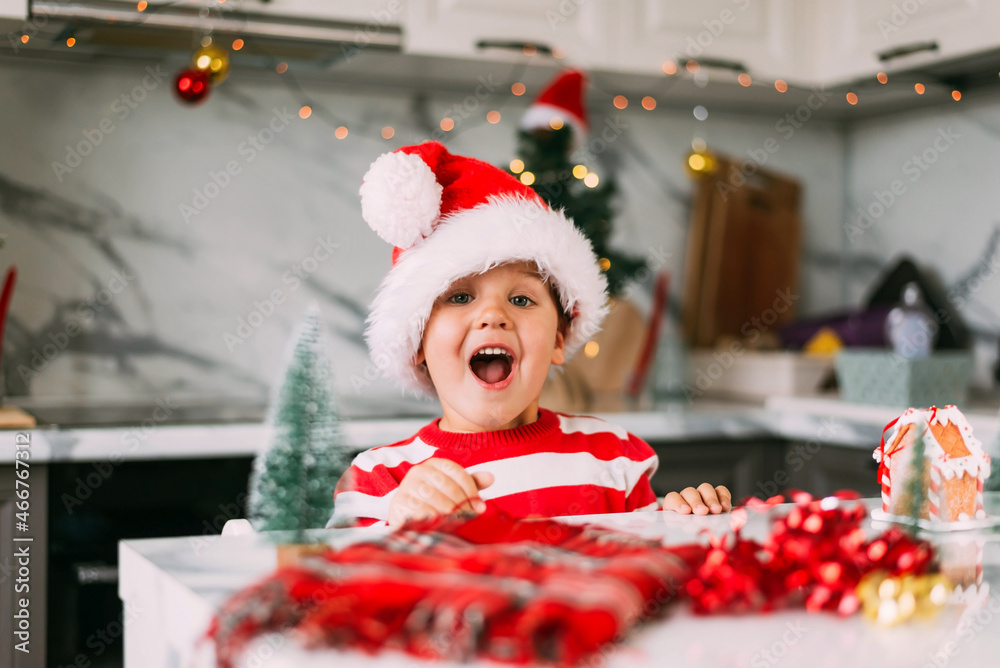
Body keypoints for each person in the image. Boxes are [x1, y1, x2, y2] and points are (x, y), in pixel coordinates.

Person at [330, 141, 730, 527]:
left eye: (521, 300)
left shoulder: (612, 455)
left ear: (558, 339)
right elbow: (333, 577)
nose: (492, 315)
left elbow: (646, 560)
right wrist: (399, 523)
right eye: (460, 296)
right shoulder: (381, 479)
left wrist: (682, 519)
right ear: (417, 342)